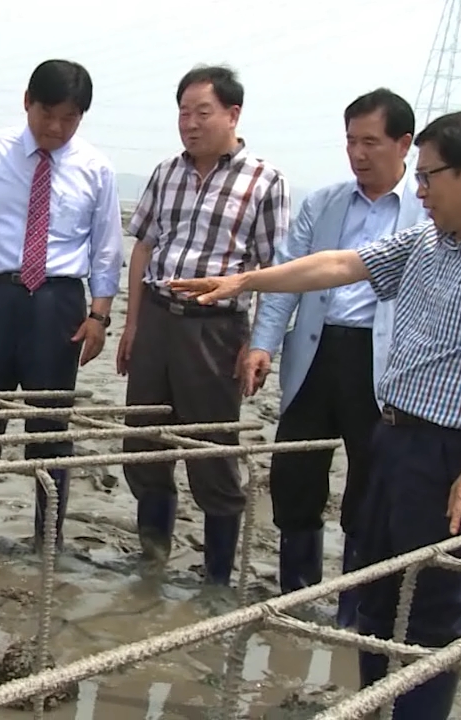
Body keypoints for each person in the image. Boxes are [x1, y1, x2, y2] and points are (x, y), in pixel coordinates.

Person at [169, 110, 461, 719]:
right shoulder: (431, 240)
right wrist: (245, 281)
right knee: (375, 589)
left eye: (431, 176)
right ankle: (373, 703)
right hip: (392, 435)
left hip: (451, 454)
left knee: (432, 606)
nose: (420, 190)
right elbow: (341, 265)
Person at [247, 88, 425, 626]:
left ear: (405, 144)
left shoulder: (427, 212)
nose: (359, 153)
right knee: (295, 473)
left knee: (370, 485)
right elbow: (286, 279)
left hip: (383, 364)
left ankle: (355, 606)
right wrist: (262, 344)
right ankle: (297, 596)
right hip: (317, 351)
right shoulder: (324, 202)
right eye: (351, 141)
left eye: (371, 142)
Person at [0, 59, 122, 548]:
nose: (56, 128)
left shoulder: (95, 168)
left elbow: (106, 248)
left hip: (58, 303)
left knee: (50, 424)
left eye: (69, 118)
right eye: (47, 114)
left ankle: (48, 536)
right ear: (27, 103)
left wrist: (99, 315)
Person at [118, 65, 289, 585]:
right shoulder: (167, 172)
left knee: (212, 454)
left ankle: (216, 580)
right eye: (183, 112)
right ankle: (151, 561)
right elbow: (144, 247)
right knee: (144, 444)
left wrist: (259, 343)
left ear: (233, 114)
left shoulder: (264, 181)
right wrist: (132, 325)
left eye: (203, 113)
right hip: (157, 321)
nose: (190, 124)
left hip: (214, 333)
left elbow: (273, 270)